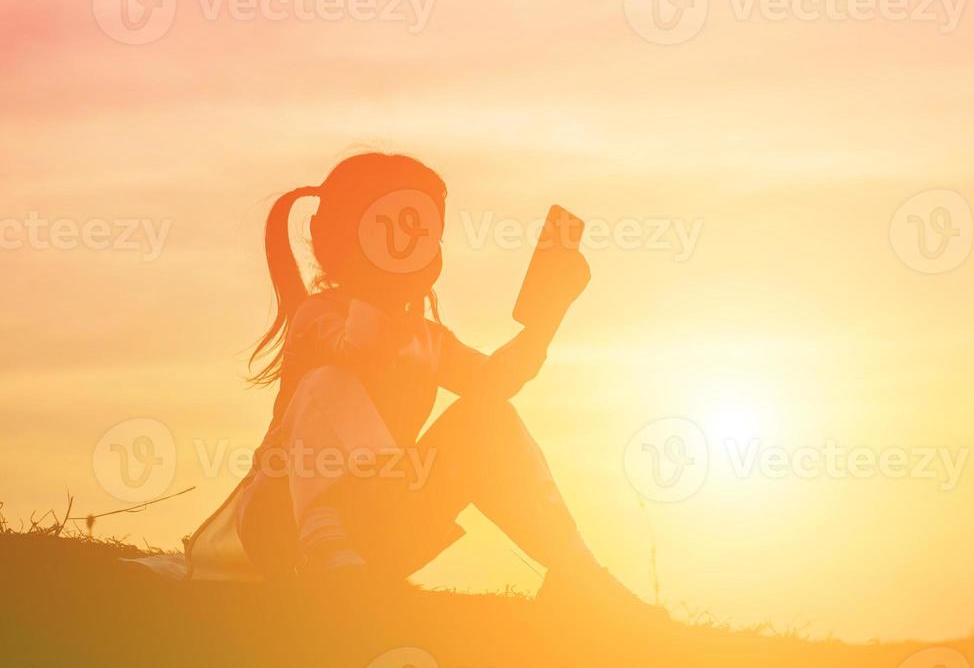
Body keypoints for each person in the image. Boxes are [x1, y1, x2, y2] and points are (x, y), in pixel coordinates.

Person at [187, 152, 643, 613]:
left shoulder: (427, 339)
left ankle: (574, 568)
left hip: (383, 525)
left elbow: (493, 385)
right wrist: (372, 284)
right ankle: (326, 554)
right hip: (279, 524)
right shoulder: (318, 316)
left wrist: (547, 317)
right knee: (329, 381)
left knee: (491, 418)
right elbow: (357, 351)